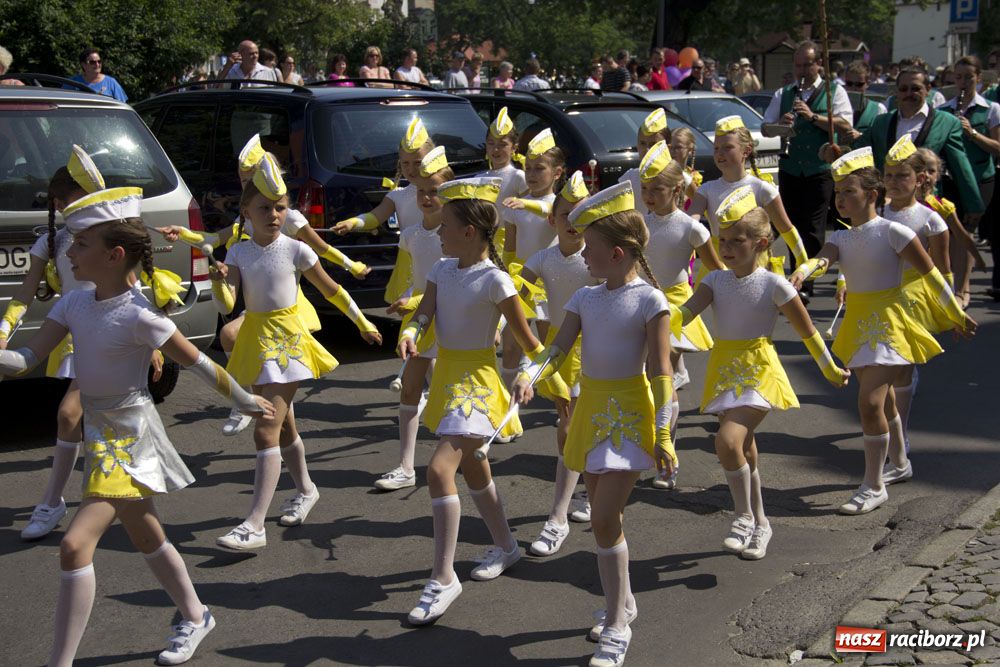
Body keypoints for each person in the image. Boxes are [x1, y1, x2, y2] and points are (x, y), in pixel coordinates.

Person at [0, 185, 275, 667]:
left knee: (73, 544)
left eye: (81, 244)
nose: (71, 251)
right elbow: (24, 359)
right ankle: (196, 614)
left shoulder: (140, 316)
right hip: (99, 431)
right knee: (145, 533)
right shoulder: (72, 304)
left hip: (131, 436)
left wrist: (245, 399)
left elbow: (199, 365)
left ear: (114, 255)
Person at [527, 181, 676, 667]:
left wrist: (664, 433)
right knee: (605, 522)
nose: (581, 256)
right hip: (591, 410)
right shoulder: (585, 299)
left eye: (587, 248)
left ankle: (616, 625)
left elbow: (661, 372)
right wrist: (528, 377)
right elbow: (556, 350)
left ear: (615, 253)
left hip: (631, 416)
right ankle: (624, 602)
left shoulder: (651, 301)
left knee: (605, 518)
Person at [790, 147, 975, 515]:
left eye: (849, 192)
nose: (840, 200)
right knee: (885, 400)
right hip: (858, 323)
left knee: (870, 401)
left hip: (890, 322)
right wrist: (804, 271)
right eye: (838, 193)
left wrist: (955, 311)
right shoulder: (841, 238)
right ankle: (900, 463)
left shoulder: (894, 231)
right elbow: (823, 257)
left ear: (872, 195)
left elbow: (931, 275)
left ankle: (873, 485)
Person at [212, 154, 382, 550]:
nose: (273, 214)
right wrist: (220, 279)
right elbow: (227, 306)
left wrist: (363, 322)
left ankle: (254, 524)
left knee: (265, 426)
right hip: (256, 339)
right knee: (284, 425)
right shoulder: (237, 251)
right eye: (264, 208)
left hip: (289, 343)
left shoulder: (296, 249)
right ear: (246, 211)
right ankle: (306, 489)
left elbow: (332, 291)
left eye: (280, 207)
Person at [155, 134, 369, 434]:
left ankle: (242, 401)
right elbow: (213, 240)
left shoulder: (287, 216)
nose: (246, 188)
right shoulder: (246, 219)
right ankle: (294, 465)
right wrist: (183, 232)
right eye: (243, 182)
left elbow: (321, 250)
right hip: (259, 311)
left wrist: (352, 265)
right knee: (281, 419)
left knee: (235, 340)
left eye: (250, 179)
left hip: (289, 310)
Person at [401, 176, 539, 625]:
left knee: (439, 469)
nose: (438, 231)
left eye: (446, 224)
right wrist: (410, 332)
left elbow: (530, 344)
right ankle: (507, 545)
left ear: (470, 232)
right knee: (476, 467)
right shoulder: (441, 270)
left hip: (476, 384)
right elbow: (425, 313)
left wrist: (528, 375)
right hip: (448, 378)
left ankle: (443, 577)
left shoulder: (497, 281)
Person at [682, 186, 848, 559]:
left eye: (736, 240)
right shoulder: (713, 281)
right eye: (722, 240)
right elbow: (686, 314)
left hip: (758, 370)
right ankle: (761, 523)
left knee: (727, 442)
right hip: (724, 370)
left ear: (761, 242)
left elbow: (807, 332)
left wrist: (830, 368)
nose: (725, 248)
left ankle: (741, 516)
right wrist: (655, 314)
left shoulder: (774, 284)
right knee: (744, 450)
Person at [3, 147, 108, 541]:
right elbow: (24, 293)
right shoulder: (54, 241)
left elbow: (136, 288)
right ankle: (65, 500)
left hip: (111, 334)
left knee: (80, 417)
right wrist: (4, 328)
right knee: (76, 418)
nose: (69, 208)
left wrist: (150, 344)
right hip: (72, 332)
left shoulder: (106, 237)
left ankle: (69, 500)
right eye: (63, 203)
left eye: (74, 200)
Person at [841, 66, 986, 270]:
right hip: (887, 204)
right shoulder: (881, 122)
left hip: (924, 204)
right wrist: (836, 152)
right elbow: (859, 151)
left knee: (927, 264)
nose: (909, 94)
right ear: (896, 92)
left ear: (928, 89)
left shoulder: (947, 123)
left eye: (915, 88)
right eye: (904, 89)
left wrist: (973, 204)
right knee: (887, 260)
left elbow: (960, 165)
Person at [639, 142, 725, 489]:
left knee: (664, 375)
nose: (649, 196)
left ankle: (667, 451)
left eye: (657, 189)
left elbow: (718, 271)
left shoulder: (692, 228)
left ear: (677, 190)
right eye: (645, 190)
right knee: (646, 376)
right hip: (642, 302)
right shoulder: (639, 222)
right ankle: (646, 445)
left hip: (675, 306)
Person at [519, 172, 595, 556]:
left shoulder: (596, 257)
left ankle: (558, 516)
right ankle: (581, 492)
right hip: (557, 352)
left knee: (574, 427)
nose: (572, 222)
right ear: (553, 218)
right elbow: (515, 297)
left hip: (595, 350)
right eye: (566, 214)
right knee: (570, 427)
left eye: (581, 214)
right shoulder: (542, 258)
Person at [877, 137, 955, 477]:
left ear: (919, 178)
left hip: (913, 300)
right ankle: (889, 435)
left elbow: (942, 269)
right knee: (881, 372)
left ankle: (900, 438)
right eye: (888, 175)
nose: (893, 182)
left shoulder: (930, 220)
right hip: (878, 299)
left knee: (900, 371)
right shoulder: (875, 212)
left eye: (901, 175)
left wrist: (951, 308)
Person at [377, 147, 451, 491]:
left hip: (454, 317)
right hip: (422, 317)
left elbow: (457, 280)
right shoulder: (409, 235)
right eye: (421, 191)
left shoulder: (456, 234)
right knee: (409, 388)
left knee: (454, 390)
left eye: (434, 191)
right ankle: (406, 466)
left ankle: (459, 452)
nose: (426, 197)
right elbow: (414, 276)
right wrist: (407, 295)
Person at [761, 41, 853, 300]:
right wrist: (781, 124)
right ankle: (797, 277)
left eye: (807, 65)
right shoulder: (784, 94)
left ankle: (808, 281)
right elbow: (766, 128)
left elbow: (846, 125)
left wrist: (813, 117)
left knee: (813, 227)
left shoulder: (835, 91)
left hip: (820, 168)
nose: (802, 70)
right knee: (791, 226)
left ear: (818, 64)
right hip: (791, 168)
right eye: (798, 65)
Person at [688, 116, 809, 285]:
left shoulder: (761, 188)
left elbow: (786, 228)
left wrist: (803, 264)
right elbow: (691, 221)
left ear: (746, 150)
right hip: (718, 261)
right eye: (716, 148)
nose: (720, 154)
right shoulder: (706, 190)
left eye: (727, 147)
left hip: (753, 262)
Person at [331, 117, 436, 305]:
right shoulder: (398, 195)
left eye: (417, 162)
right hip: (410, 263)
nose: (411, 169)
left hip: (438, 256)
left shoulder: (443, 191)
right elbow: (375, 216)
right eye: (405, 163)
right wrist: (352, 223)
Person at [500, 128, 563, 387]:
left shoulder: (559, 203)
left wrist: (526, 204)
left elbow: (548, 210)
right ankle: (507, 397)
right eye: (528, 169)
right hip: (523, 279)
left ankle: (560, 395)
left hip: (551, 280)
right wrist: (502, 275)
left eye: (539, 169)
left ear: (557, 172)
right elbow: (510, 248)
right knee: (512, 341)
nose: (532, 175)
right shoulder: (517, 206)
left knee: (550, 341)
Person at [938, 56, 1000, 307]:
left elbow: (997, 148)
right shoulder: (944, 110)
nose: (963, 82)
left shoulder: (991, 109)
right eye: (959, 77)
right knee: (951, 233)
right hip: (952, 179)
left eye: (968, 77)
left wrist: (972, 133)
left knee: (967, 231)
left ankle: (964, 288)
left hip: (979, 180)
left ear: (978, 79)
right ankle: (952, 286)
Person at [618, 108, 672, 216]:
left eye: (653, 145)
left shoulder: (677, 177)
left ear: (667, 148)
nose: (647, 150)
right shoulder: (630, 177)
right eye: (642, 143)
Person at [843, 61, 887, 143]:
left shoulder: (879, 108)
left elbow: (882, 137)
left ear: (867, 83)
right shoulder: (836, 105)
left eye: (859, 84)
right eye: (849, 83)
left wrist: (860, 135)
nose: (853, 88)